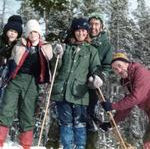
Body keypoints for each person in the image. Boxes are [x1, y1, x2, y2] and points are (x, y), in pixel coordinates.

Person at [0, 19, 53, 149]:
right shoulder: (19, 44)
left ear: (39, 33)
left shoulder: (46, 47)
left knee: (27, 112)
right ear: (27, 34)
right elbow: (9, 58)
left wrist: (58, 55)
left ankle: (26, 143)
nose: (33, 34)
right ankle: (0, 139)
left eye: (35, 32)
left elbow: (53, 63)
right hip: (16, 80)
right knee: (7, 108)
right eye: (30, 32)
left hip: (32, 82)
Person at [51, 17, 103, 149]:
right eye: (78, 30)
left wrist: (96, 77)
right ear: (73, 31)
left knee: (80, 123)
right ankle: (67, 146)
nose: (81, 33)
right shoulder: (65, 48)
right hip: (62, 92)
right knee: (65, 122)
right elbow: (55, 68)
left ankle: (80, 147)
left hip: (79, 93)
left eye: (84, 31)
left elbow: (96, 68)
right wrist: (57, 56)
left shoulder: (92, 50)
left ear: (87, 32)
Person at [101, 50, 150, 149]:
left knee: (148, 141)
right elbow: (127, 106)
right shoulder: (125, 81)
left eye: (119, 66)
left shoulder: (140, 72)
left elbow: (136, 98)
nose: (118, 70)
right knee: (147, 142)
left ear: (127, 63)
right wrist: (112, 123)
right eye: (115, 69)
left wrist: (112, 106)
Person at [86, 13, 113, 149]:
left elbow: (108, 66)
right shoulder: (82, 38)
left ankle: (90, 146)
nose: (93, 27)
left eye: (96, 24)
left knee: (91, 116)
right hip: (77, 83)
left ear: (101, 27)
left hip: (93, 85)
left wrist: (100, 77)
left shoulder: (105, 44)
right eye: (91, 24)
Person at [0, 15, 23, 100]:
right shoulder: (1, 41)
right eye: (11, 31)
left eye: (16, 32)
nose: (13, 33)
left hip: (6, 75)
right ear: (6, 31)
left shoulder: (18, 45)